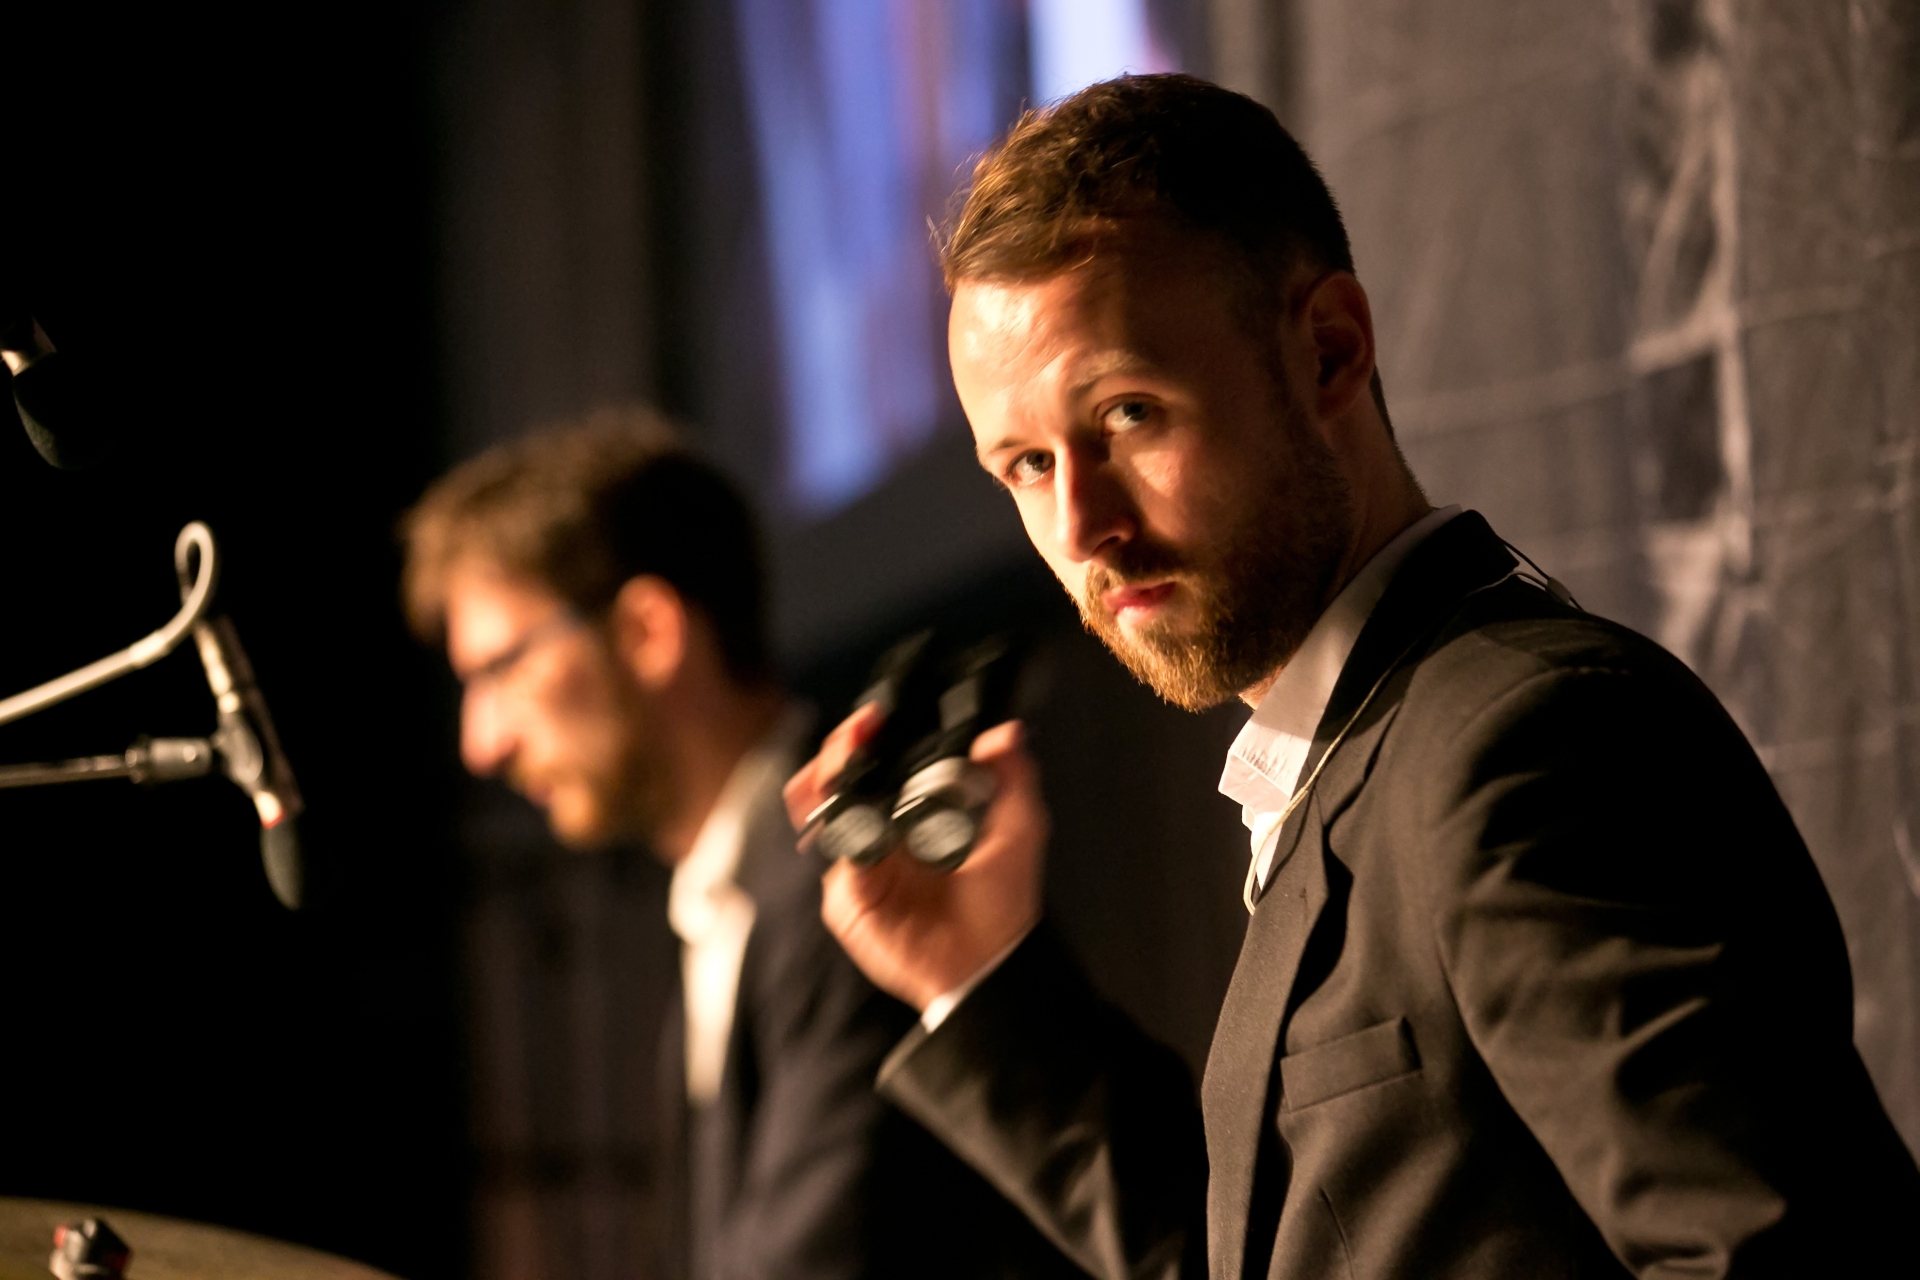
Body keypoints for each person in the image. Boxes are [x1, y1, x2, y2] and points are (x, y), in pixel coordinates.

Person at [784, 75, 1920, 1280]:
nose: (1081, 525)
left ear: (1329, 350)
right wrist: (979, 980)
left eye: (1128, 413)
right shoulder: (1367, 757)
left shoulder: (1524, 746)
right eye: (1024, 464)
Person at [404, 411, 1082, 1280]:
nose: (481, 743)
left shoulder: (854, 885)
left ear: (648, 632)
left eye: (502, 669)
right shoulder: (744, 893)